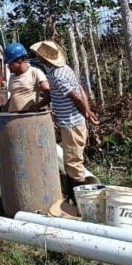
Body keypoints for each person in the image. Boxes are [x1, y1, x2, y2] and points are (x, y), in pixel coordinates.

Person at [30, 39, 99, 193]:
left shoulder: (57, 75)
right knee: (70, 160)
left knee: (73, 162)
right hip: (72, 122)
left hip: (71, 124)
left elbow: (76, 97)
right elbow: (80, 89)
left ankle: (79, 199)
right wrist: (87, 111)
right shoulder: (64, 69)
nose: (37, 56)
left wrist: (87, 113)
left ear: (44, 58)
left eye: (38, 55)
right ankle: (72, 195)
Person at [4, 42, 50, 112]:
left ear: (19, 61)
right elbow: (13, 97)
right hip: (13, 118)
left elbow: (49, 93)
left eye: (10, 63)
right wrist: (4, 111)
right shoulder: (12, 77)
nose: (8, 66)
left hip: (28, 119)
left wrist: (38, 106)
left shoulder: (35, 73)